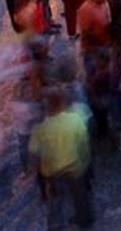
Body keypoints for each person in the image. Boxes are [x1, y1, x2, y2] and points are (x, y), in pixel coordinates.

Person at [28, 87, 94, 229]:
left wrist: (38, 176)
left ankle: (56, 226)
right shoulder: (74, 119)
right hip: (74, 166)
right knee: (80, 196)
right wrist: (85, 164)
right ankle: (85, 220)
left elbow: (34, 154)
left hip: (52, 170)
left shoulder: (40, 129)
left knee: (55, 200)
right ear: (62, 102)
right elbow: (83, 143)